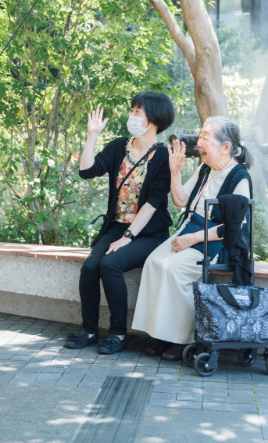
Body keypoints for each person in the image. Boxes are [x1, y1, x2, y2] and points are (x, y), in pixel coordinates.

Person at [131, 116, 253, 361]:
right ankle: (159, 333)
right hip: (189, 230)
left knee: (174, 269)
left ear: (225, 147)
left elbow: (234, 228)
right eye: (200, 136)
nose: (199, 143)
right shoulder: (205, 168)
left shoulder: (240, 178)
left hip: (217, 243)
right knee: (154, 262)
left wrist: (194, 238)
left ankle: (180, 340)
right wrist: (175, 171)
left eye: (205, 138)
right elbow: (181, 201)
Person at [64, 92, 175, 355]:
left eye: (138, 112)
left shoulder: (162, 156)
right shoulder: (118, 147)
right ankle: (89, 331)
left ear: (155, 119)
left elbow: (154, 202)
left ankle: (118, 334)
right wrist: (92, 136)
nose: (132, 116)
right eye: (133, 110)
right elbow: (87, 171)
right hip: (117, 226)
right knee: (90, 266)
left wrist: (129, 236)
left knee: (110, 264)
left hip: (149, 232)